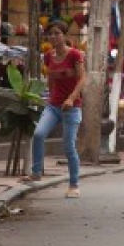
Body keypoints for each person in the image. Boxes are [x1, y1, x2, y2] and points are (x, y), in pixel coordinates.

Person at [22, 21, 86, 198]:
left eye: (57, 33)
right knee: (39, 134)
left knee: (68, 146)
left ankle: (74, 185)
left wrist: (72, 98)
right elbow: (51, 78)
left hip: (72, 108)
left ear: (65, 36)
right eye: (50, 34)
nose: (53, 37)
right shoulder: (48, 56)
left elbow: (82, 79)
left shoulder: (75, 55)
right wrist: (48, 95)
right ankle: (36, 172)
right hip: (54, 105)